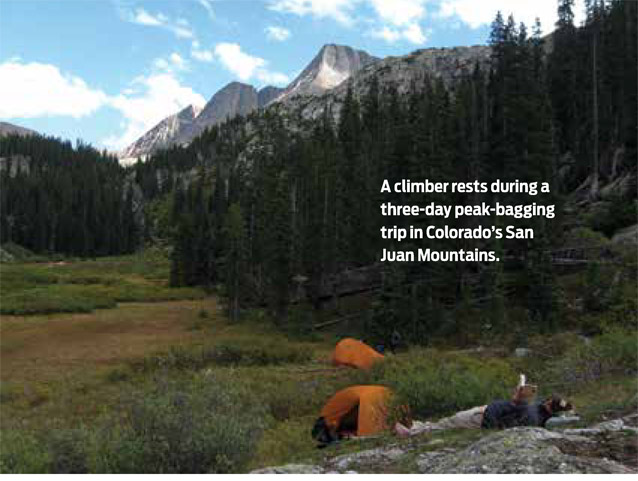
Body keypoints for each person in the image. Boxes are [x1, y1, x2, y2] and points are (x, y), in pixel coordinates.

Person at [394, 385, 573, 437]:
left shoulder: (533, 413)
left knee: (449, 423)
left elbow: (502, 414)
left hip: (482, 416)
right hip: (485, 414)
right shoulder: (541, 413)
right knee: (448, 422)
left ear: (550, 403)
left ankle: (412, 432)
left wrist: (488, 428)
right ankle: (417, 427)